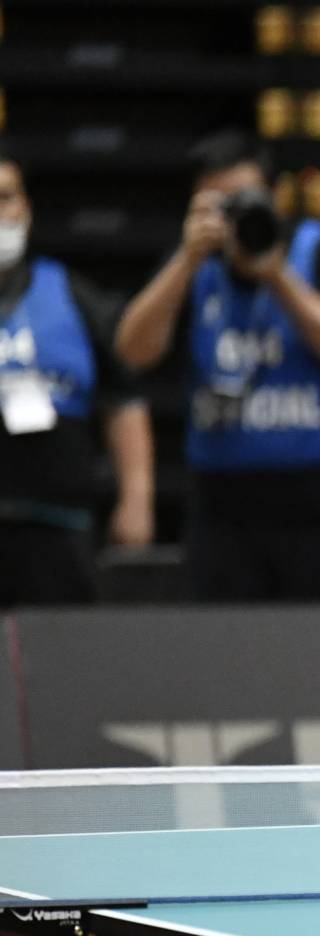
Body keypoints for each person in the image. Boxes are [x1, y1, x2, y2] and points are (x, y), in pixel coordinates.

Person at [115, 130, 320, 600]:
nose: (233, 216)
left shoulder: (319, 248)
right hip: (224, 507)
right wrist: (186, 259)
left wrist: (276, 275)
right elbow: (132, 352)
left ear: (275, 196)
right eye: (217, 205)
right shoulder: (194, 267)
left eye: (243, 200)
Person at [0, 143, 153, 604]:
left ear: (26, 206)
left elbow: (124, 397)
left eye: (5, 197)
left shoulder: (71, 294)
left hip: (59, 529)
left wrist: (137, 498)